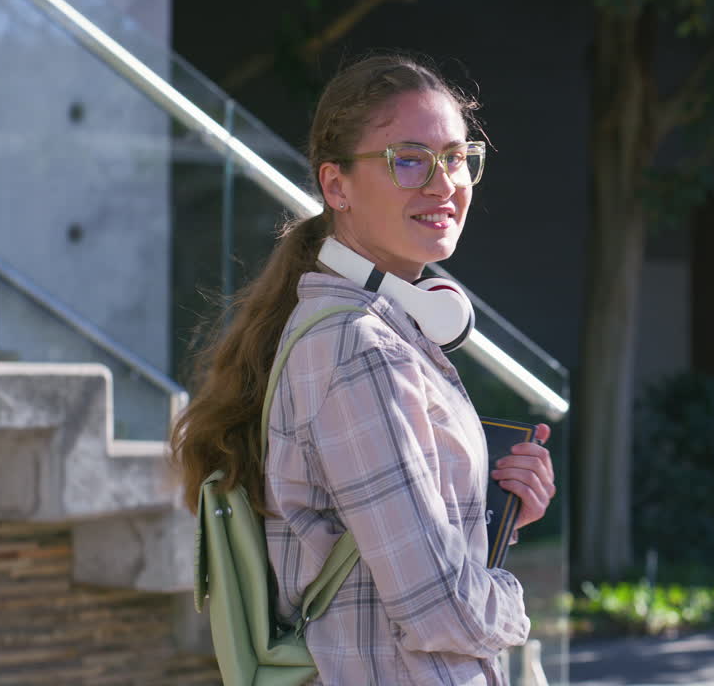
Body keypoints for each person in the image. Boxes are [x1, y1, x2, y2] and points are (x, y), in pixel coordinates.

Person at [172, 53, 556, 685]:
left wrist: (492, 517)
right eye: (409, 160)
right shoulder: (359, 348)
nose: (443, 185)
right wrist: (513, 602)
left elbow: (382, 566)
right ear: (336, 186)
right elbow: (438, 608)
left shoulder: (370, 332)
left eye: (456, 158)